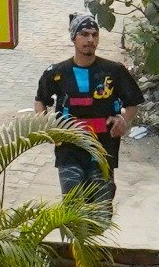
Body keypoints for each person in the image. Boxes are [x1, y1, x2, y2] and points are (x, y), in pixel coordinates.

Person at [35, 14, 143, 208]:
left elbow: (133, 102)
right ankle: (77, 238)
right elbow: (40, 101)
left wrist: (123, 120)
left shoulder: (114, 71)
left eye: (94, 35)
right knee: (73, 208)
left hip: (103, 150)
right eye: (84, 34)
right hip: (69, 150)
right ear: (73, 37)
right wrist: (46, 127)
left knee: (101, 213)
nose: (90, 40)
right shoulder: (56, 73)